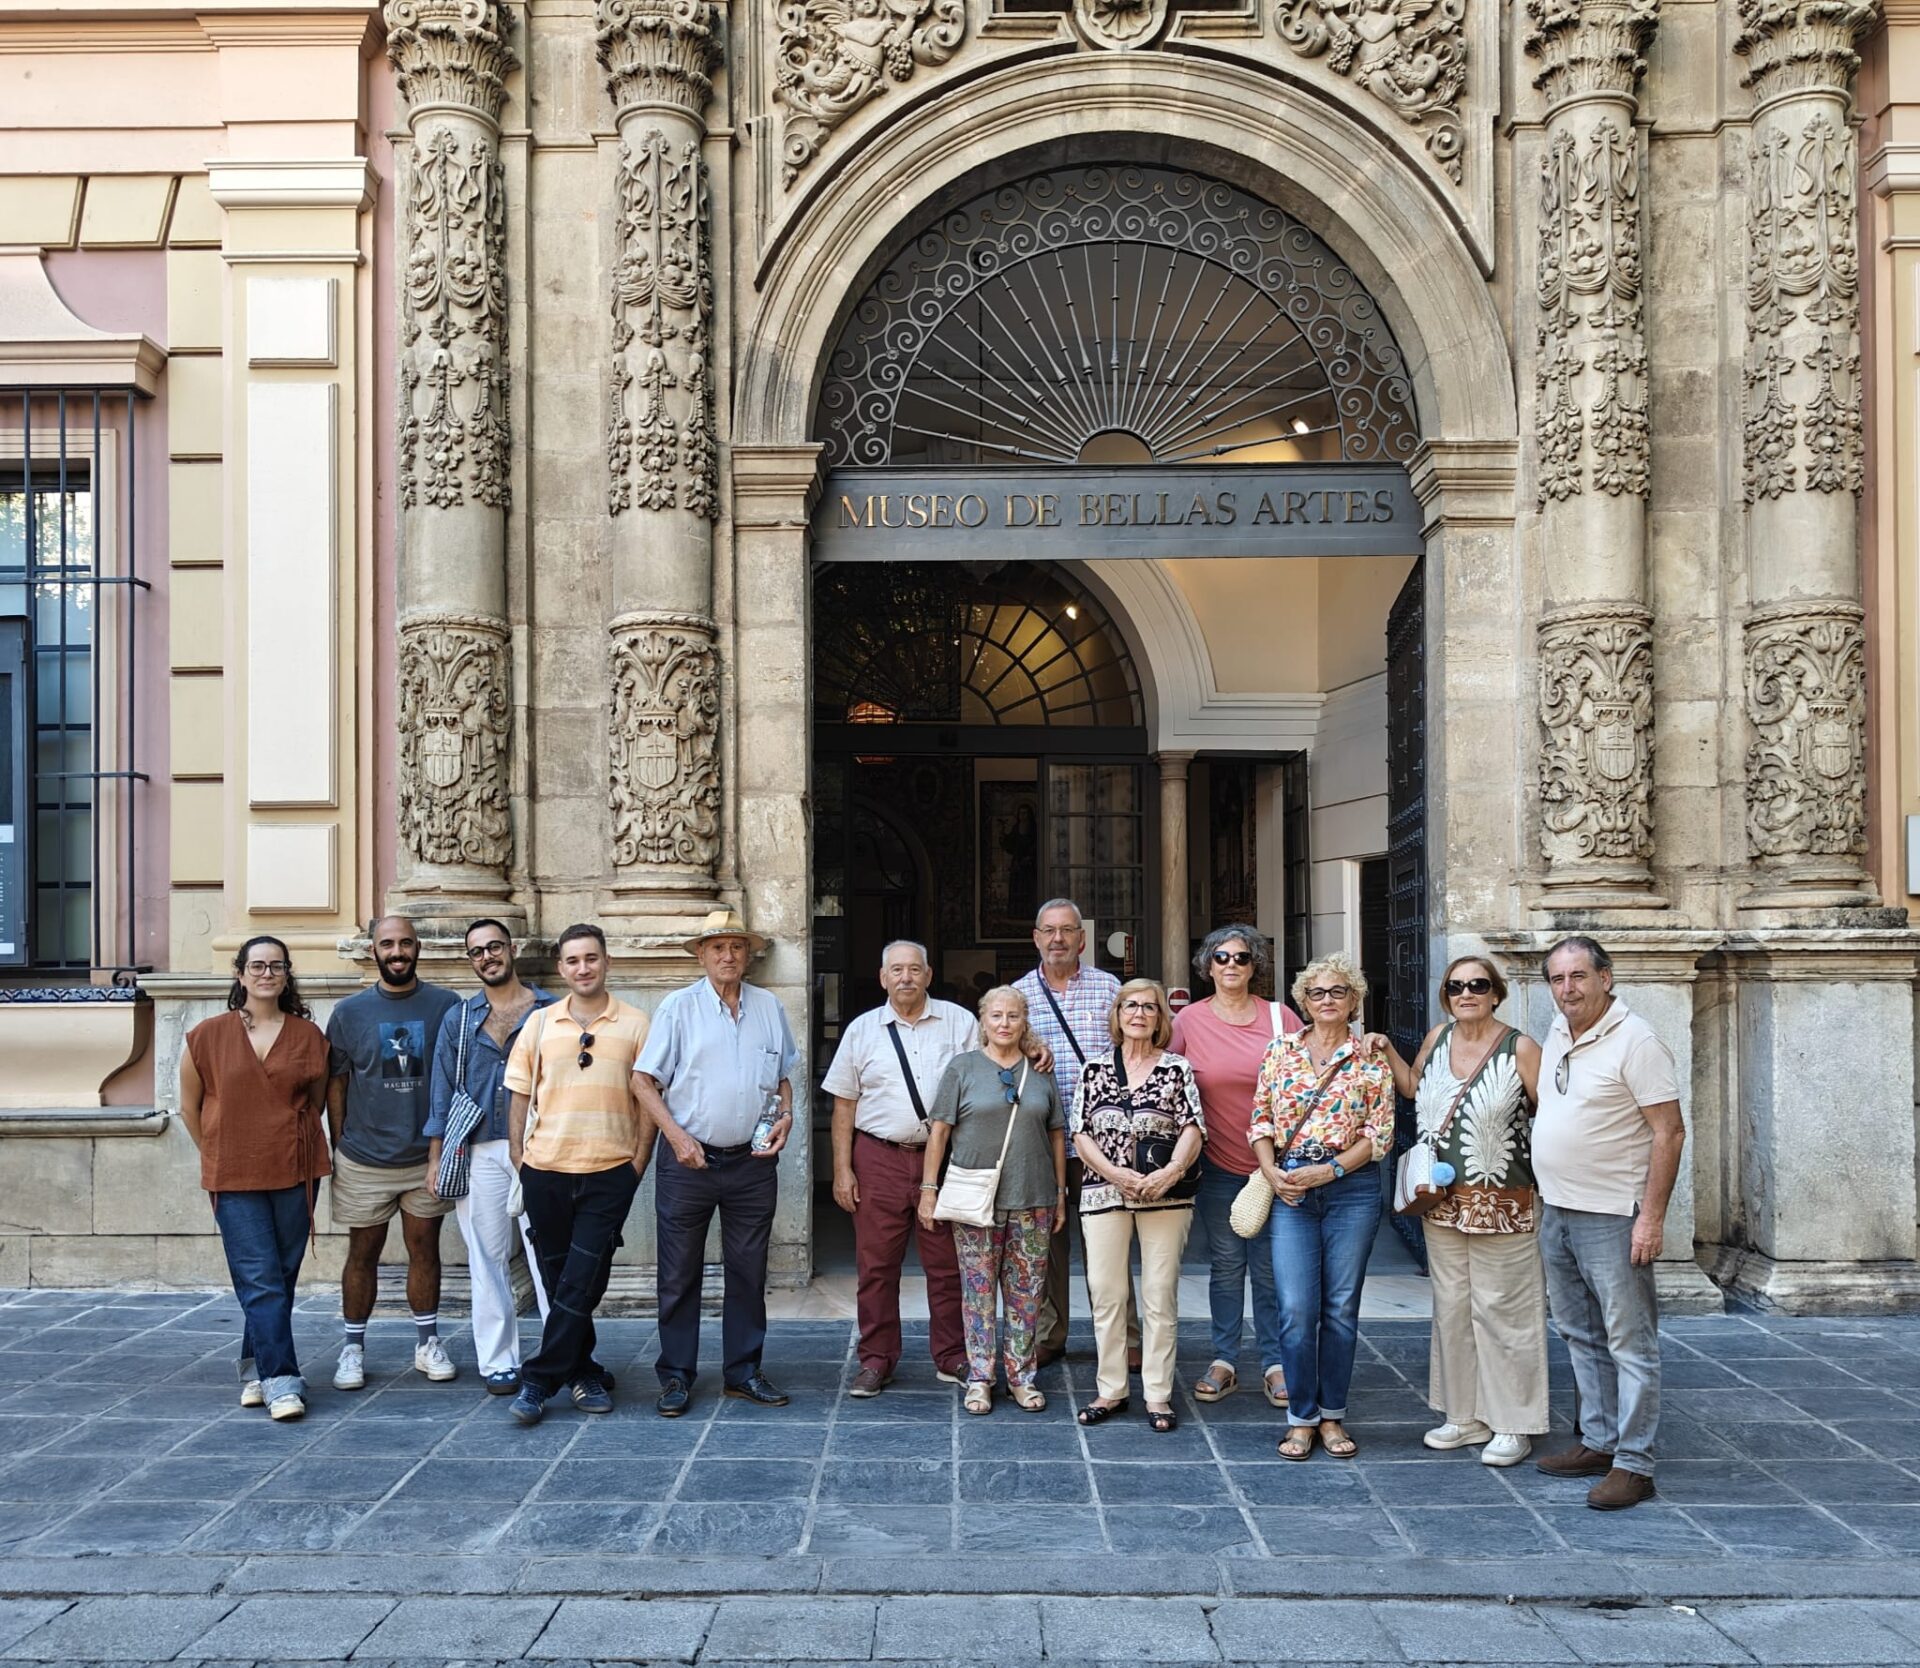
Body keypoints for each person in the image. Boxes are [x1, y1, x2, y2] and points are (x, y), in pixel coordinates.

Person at [1530, 935, 1684, 1511]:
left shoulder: (1637, 1040)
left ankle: (1635, 1464)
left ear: (1606, 977)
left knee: (1630, 1341)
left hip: (1615, 1215)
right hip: (1559, 1208)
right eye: (1558, 979)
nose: (1568, 989)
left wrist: (1652, 1220)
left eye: (1578, 976)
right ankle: (1598, 1440)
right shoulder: (1556, 1029)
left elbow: (1669, 1132)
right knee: (1579, 1332)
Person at [1378, 955, 1545, 1468]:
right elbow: (1412, 1089)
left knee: (1505, 1313)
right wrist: (1385, 1048)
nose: (1465, 993)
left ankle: (1514, 1423)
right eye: (1455, 986)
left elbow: (1552, 1117)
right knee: (1452, 1310)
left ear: (1496, 993)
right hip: (1441, 1205)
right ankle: (1464, 1414)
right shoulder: (1437, 1039)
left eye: (1477, 985)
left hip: (1504, 1203)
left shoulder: (1521, 1047)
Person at [635, 908, 800, 1417]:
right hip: (689, 1161)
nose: (728, 955)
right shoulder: (678, 1008)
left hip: (752, 1163)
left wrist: (787, 1116)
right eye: (717, 947)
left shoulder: (769, 1006)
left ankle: (743, 1372)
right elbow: (643, 1080)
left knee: (749, 1271)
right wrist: (676, 1136)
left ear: (748, 955)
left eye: (736, 947)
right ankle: (677, 1376)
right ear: (702, 956)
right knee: (679, 1272)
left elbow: (783, 1077)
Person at [503, 922, 654, 1424]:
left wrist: (638, 1163)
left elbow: (649, 1098)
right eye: (572, 960)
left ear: (606, 962)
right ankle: (583, 1371)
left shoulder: (636, 1023)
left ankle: (537, 1380)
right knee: (560, 1281)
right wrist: (518, 1158)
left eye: (591, 958)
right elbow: (520, 1092)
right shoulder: (540, 1023)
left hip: (610, 1170)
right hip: (545, 1169)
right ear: (562, 968)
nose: (582, 968)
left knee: (583, 1277)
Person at [177, 937, 332, 1421]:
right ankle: (283, 1381)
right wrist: (219, 1153)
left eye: (276, 966)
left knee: (279, 1278)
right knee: (259, 1278)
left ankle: (254, 1368)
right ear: (240, 974)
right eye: (257, 965)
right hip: (233, 1173)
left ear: (287, 975)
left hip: (294, 1166)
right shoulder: (206, 1035)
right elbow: (189, 1105)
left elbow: (319, 1101)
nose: (267, 973)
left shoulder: (308, 1036)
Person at [1250, 950, 1394, 1461]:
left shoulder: (1371, 1058)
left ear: (1354, 1000)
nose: (1327, 1000)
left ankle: (1332, 1415)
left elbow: (1380, 1134)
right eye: (1317, 992)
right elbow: (1261, 1120)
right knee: (1295, 1308)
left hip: (1350, 1189)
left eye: (1337, 991)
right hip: (1290, 1188)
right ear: (1303, 1002)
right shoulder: (1279, 1051)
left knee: (1339, 1308)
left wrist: (1330, 1170)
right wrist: (1272, 1172)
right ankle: (1301, 1418)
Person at [823, 940, 975, 1396]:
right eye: (897, 970)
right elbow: (844, 1106)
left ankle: (951, 1355)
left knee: (947, 1267)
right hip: (878, 1158)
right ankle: (876, 1359)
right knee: (876, 1267)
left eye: (914, 969)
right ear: (883, 976)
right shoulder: (862, 1030)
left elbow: (986, 1074)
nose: (906, 977)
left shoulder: (959, 1023)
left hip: (943, 1160)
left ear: (929, 975)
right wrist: (843, 1170)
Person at [325, 915, 462, 1390]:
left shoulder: (446, 1005)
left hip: (426, 1155)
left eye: (405, 943)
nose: (397, 951)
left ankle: (427, 1342)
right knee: (363, 1252)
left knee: (425, 1248)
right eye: (388, 943)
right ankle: (352, 1348)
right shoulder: (348, 1013)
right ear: (373, 950)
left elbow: (458, 1077)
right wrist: (341, 1140)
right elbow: (337, 1083)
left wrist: (444, 1145)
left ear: (418, 948)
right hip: (364, 1159)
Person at [917, 986, 1067, 1414]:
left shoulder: (1040, 1069)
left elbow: (1057, 1132)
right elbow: (940, 1131)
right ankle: (980, 1377)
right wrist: (929, 1191)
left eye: (1014, 1016)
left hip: (1034, 1197)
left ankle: (1021, 1376)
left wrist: (1059, 1194)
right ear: (982, 1021)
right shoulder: (962, 1068)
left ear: (1024, 1022)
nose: (1005, 1023)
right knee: (978, 1292)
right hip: (974, 1202)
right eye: (997, 1015)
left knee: (1026, 1294)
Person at [425, 919, 556, 1395]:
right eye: (477, 951)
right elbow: (441, 1091)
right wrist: (436, 1156)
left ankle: (562, 1355)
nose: (487, 957)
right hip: (478, 1148)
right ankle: (499, 1360)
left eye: (494, 947)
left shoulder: (549, 1010)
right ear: (471, 960)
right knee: (486, 1258)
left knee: (550, 1256)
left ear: (512, 949)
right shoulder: (459, 1019)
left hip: (540, 1146)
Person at [1173, 925, 1301, 1410]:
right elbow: (1169, 1083)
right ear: (1208, 966)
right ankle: (1224, 1359)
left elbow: (1308, 1076)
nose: (1231, 965)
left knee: (1271, 1269)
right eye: (1221, 957)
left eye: (1241, 958)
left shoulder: (1279, 1017)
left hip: (1277, 1167)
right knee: (1227, 1265)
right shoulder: (1189, 1021)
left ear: (1255, 967)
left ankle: (1275, 1363)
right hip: (1220, 1164)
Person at [1072, 979, 1204, 1433]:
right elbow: (1080, 1133)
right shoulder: (1093, 1070)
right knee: (1107, 1294)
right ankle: (1111, 1389)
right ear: (1118, 1014)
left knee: (1159, 1295)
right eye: (1131, 1006)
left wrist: (1170, 1172)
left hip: (1165, 1194)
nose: (1140, 1014)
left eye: (1149, 1007)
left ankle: (1157, 1394)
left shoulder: (1176, 1069)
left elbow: (1193, 1126)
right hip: (1104, 1191)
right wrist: (1116, 1174)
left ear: (1160, 1018)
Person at [1014, 898, 1133, 1367]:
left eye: (1067, 930)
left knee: (1110, 1242)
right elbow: (1000, 1049)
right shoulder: (1018, 996)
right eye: (1049, 930)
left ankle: (1125, 1335)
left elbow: (1134, 1048)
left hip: (1104, 1140)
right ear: (1036, 937)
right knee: (1047, 1241)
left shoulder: (1109, 988)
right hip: (1045, 1140)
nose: (1058, 939)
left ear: (1082, 939)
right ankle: (1050, 1332)